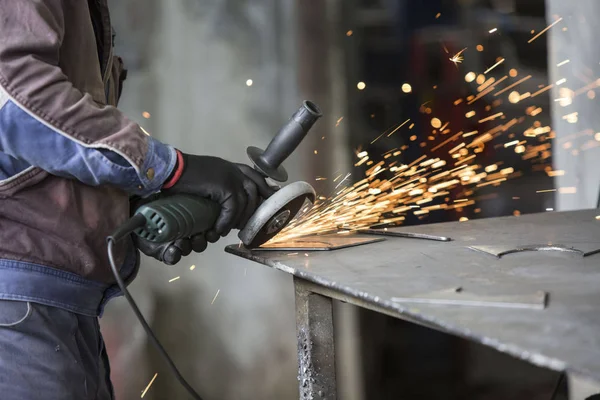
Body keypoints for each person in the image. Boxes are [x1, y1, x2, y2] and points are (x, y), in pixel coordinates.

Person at [0, 1, 271, 398]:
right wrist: (169, 167)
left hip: (55, 304)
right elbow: (16, 101)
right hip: (18, 307)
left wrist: (122, 205)